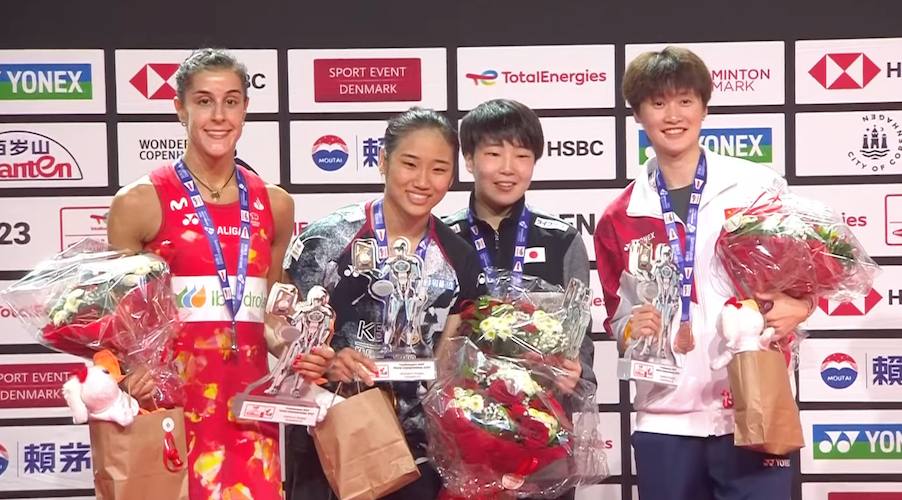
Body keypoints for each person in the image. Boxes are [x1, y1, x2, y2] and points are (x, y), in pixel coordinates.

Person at [107, 48, 332, 500]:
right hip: (168, 409)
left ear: (246, 108)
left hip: (250, 411)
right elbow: (115, 324)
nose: (219, 115)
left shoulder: (275, 203)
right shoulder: (138, 203)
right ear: (180, 108)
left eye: (231, 101)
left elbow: (270, 314)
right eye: (204, 101)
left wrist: (297, 348)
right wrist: (129, 371)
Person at [594, 46, 815, 500]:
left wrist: (804, 304)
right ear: (637, 114)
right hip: (666, 416)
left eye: (685, 101)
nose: (672, 115)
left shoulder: (755, 186)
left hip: (753, 404)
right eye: (657, 103)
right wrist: (632, 330)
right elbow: (618, 317)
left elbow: (805, 272)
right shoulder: (619, 215)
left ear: (704, 107)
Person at [283, 107, 486, 500]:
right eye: (410, 164)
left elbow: (450, 359)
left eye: (439, 169)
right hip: (327, 439)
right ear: (382, 160)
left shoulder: (459, 256)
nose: (423, 181)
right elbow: (279, 329)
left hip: (415, 453)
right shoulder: (326, 239)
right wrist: (323, 358)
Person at [442, 98, 597, 500]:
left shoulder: (561, 239)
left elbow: (581, 334)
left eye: (522, 155)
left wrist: (576, 372)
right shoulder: (442, 237)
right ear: (470, 160)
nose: (508, 168)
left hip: (542, 434)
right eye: (494, 154)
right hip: (463, 435)